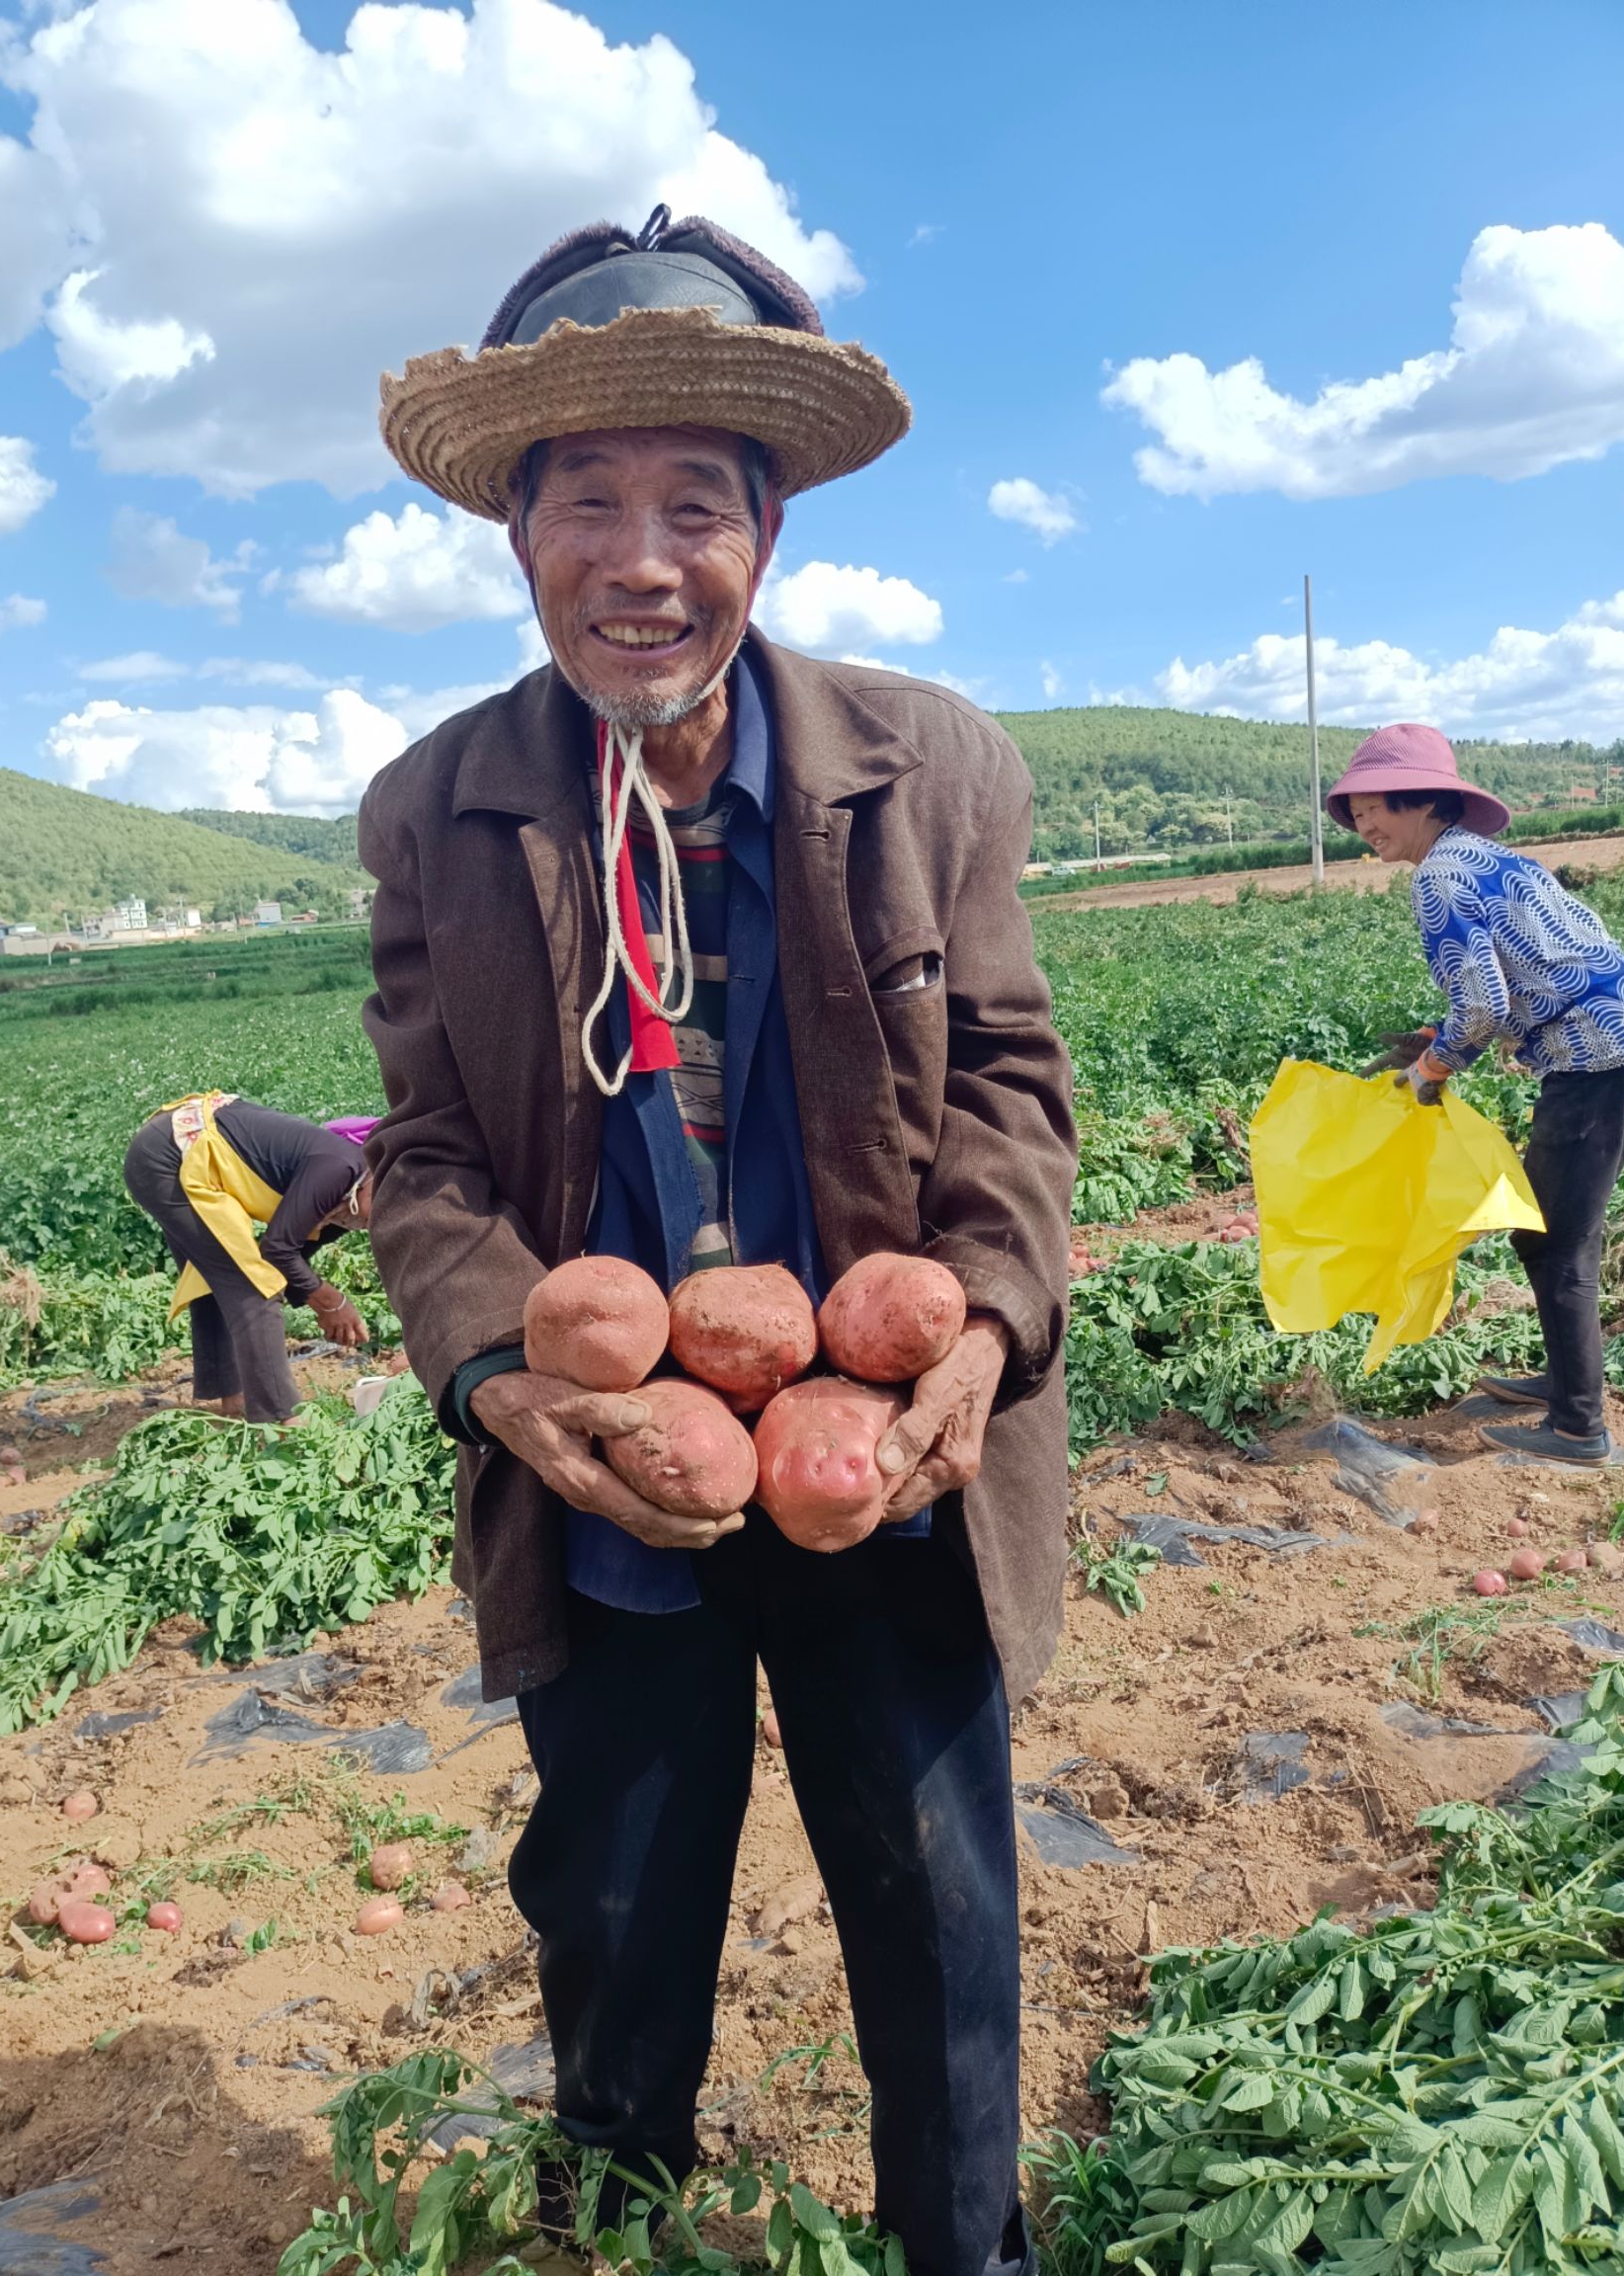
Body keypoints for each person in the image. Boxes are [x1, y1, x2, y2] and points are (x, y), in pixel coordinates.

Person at [361, 207, 1076, 2276]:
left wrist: (981, 1335)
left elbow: (1016, 1088)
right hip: (616, 1485)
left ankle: (967, 2254)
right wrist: (505, 1371)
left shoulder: (929, 767)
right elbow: (420, 1154)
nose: (640, 557)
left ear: (768, 536)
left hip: (891, 1461)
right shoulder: (440, 810)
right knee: (613, 1902)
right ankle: (625, 2222)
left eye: (696, 501)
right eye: (586, 502)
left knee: (941, 1910)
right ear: (518, 536)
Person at [1332, 721, 1624, 1465]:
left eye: (1374, 808)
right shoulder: (1488, 858)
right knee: (1548, 1230)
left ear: (1423, 802)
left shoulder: (1438, 878)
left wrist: (1430, 1071)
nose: (1363, 825)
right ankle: (1567, 1382)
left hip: (1597, 1059)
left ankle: (1577, 1426)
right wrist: (1441, 1036)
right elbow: (1524, 976)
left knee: (1556, 1240)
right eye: (1355, 811)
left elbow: (1487, 1005)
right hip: (1611, 1040)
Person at [122, 1093, 373, 1422]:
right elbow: (276, 1250)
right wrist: (330, 1301)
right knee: (252, 1286)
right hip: (171, 1156)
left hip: (183, 1152)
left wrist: (321, 1299)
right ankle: (281, 1423)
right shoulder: (339, 1169)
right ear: (378, 1180)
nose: (378, 1226)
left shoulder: (349, 1208)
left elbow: (290, 1256)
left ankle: (235, 1400)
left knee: (224, 1275)